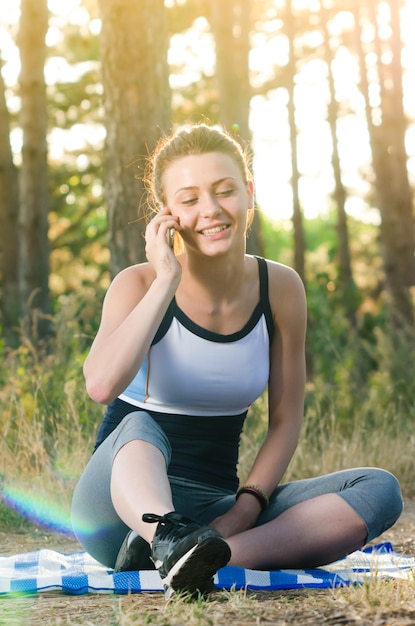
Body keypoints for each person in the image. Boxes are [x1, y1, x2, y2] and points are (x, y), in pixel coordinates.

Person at [71, 123, 403, 599]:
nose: (211, 210)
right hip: (118, 511)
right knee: (140, 424)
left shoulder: (281, 289)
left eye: (225, 191)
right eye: (189, 199)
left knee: (377, 489)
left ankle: (207, 556)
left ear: (248, 193)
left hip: (216, 509)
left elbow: (286, 420)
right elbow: (101, 385)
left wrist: (245, 509)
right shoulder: (138, 285)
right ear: (167, 214)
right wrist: (166, 279)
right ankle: (167, 540)